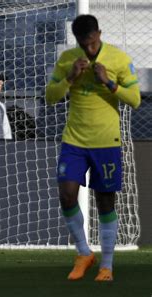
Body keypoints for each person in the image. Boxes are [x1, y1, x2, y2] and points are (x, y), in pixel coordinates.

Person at [46, 14, 140, 281]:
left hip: (106, 142)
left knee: (105, 201)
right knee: (66, 194)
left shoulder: (118, 59)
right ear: (76, 40)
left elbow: (135, 100)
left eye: (91, 42)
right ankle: (84, 253)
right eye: (83, 44)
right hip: (74, 141)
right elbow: (50, 96)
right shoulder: (68, 60)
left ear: (99, 34)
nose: (88, 49)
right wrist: (70, 78)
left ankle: (106, 266)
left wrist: (109, 83)